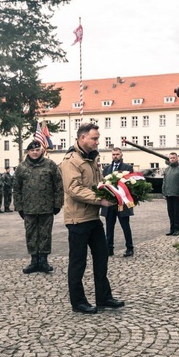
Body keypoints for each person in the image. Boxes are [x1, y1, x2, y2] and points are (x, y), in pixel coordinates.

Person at [60, 123, 125, 314]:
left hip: (93, 217)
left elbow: (97, 183)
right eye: (94, 138)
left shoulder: (93, 157)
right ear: (82, 139)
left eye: (98, 138)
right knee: (78, 262)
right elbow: (74, 189)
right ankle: (78, 302)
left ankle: (103, 297)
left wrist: (113, 190)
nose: (98, 142)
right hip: (78, 219)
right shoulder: (71, 160)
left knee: (101, 257)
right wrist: (101, 200)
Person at [14, 140, 64, 274]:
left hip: (46, 207)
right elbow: (16, 188)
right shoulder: (22, 167)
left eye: (37, 150)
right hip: (28, 208)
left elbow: (58, 185)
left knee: (45, 234)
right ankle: (33, 260)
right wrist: (19, 206)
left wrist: (57, 204)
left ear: (41, 150)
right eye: (32, 150)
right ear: (28, 152)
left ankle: (43, 260)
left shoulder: (50, 165)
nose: (35, 152)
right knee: (30, 234)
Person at [101, 147, 135, 257]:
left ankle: (129, 247)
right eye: (114, 154)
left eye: (117, 154)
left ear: (121, 155)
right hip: (110, 203)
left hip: (122, 203)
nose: (115, 156)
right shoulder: (106, 168)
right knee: (109, 227)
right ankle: (109, 248)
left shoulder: (127, 167)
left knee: (125, 226)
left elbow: (131, 184)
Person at [161, 152, 179, 236]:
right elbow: (164, 182)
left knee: (177, 212)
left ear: (176, 158)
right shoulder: (167, 169)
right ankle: (172, 228)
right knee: (170, 212)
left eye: (173, 158)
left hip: (177, 194)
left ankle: (177, 228)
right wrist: (164, 192)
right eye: (170, 158)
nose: (172, 159)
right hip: (169, 194)